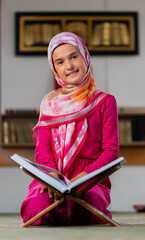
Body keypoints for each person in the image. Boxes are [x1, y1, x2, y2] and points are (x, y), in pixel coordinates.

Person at [20, 32, 119, 226]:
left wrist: (84, 177)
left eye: (74, 56)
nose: (69, 66)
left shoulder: (105, 102)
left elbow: (111, 152)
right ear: (55, 69)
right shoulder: (49, 103)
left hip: (90, 179)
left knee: (86, 206)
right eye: (60, 62)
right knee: (36, 208)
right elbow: (43, 149)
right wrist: (51, 177)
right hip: (52, 176)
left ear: (85, 57)